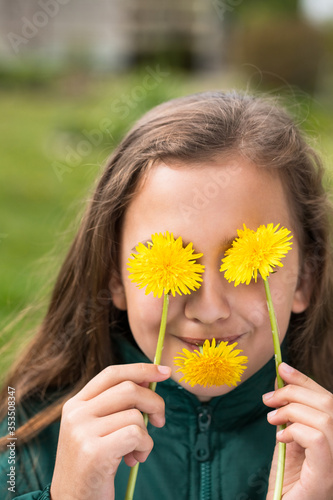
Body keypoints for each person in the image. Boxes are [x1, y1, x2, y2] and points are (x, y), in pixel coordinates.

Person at [1, 90, 333, 500]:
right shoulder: (21, 436)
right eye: (172, 260)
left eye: (252, 268)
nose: (209, 309)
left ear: (305, 279)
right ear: (115, 278)